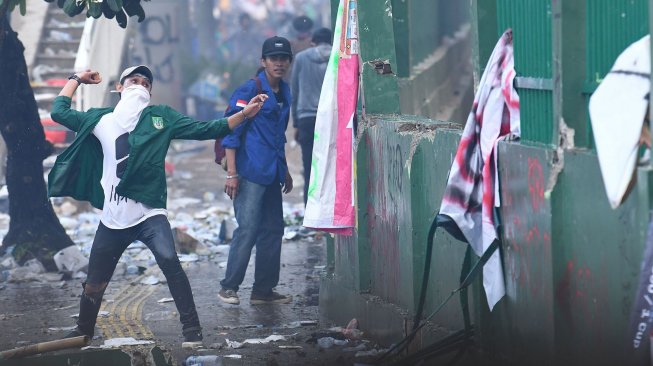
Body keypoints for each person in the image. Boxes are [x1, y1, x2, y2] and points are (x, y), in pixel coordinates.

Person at [49, 65, 267, 348]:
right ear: (120, 88)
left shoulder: (161, 117)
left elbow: (207, 129)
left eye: (145, 83)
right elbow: (58, 111)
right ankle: (83, 330)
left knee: (170, 262)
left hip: (149, 212)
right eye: (133, 81)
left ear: (150, 92)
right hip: (113, 218)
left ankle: (192, 331)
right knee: (94, 283)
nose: (139, 85)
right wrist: (76, 80)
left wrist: (243, 115)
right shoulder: (99, 120)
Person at [218, 36, 294, 306]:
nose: (279, 63)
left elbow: (278, 135)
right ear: (263, 62)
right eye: (274, 58)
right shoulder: (249, 89)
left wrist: (284, 169)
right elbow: (230, 131)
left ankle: (263, 290)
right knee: (247, 229)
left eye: (284, 58)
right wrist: (232, 174)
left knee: (274, 230)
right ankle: (229, 287)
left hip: (272, 172)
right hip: (249, 172)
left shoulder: (285, 92)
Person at [290, 27, 332, 206]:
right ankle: (329, 208)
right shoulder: (338, 56)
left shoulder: (300, 58)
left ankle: (310, 209)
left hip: (306, 119)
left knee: (309, 166)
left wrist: (296, 123)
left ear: (313, 41)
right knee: (330, 166)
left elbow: (295, 91)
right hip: (330, 119)